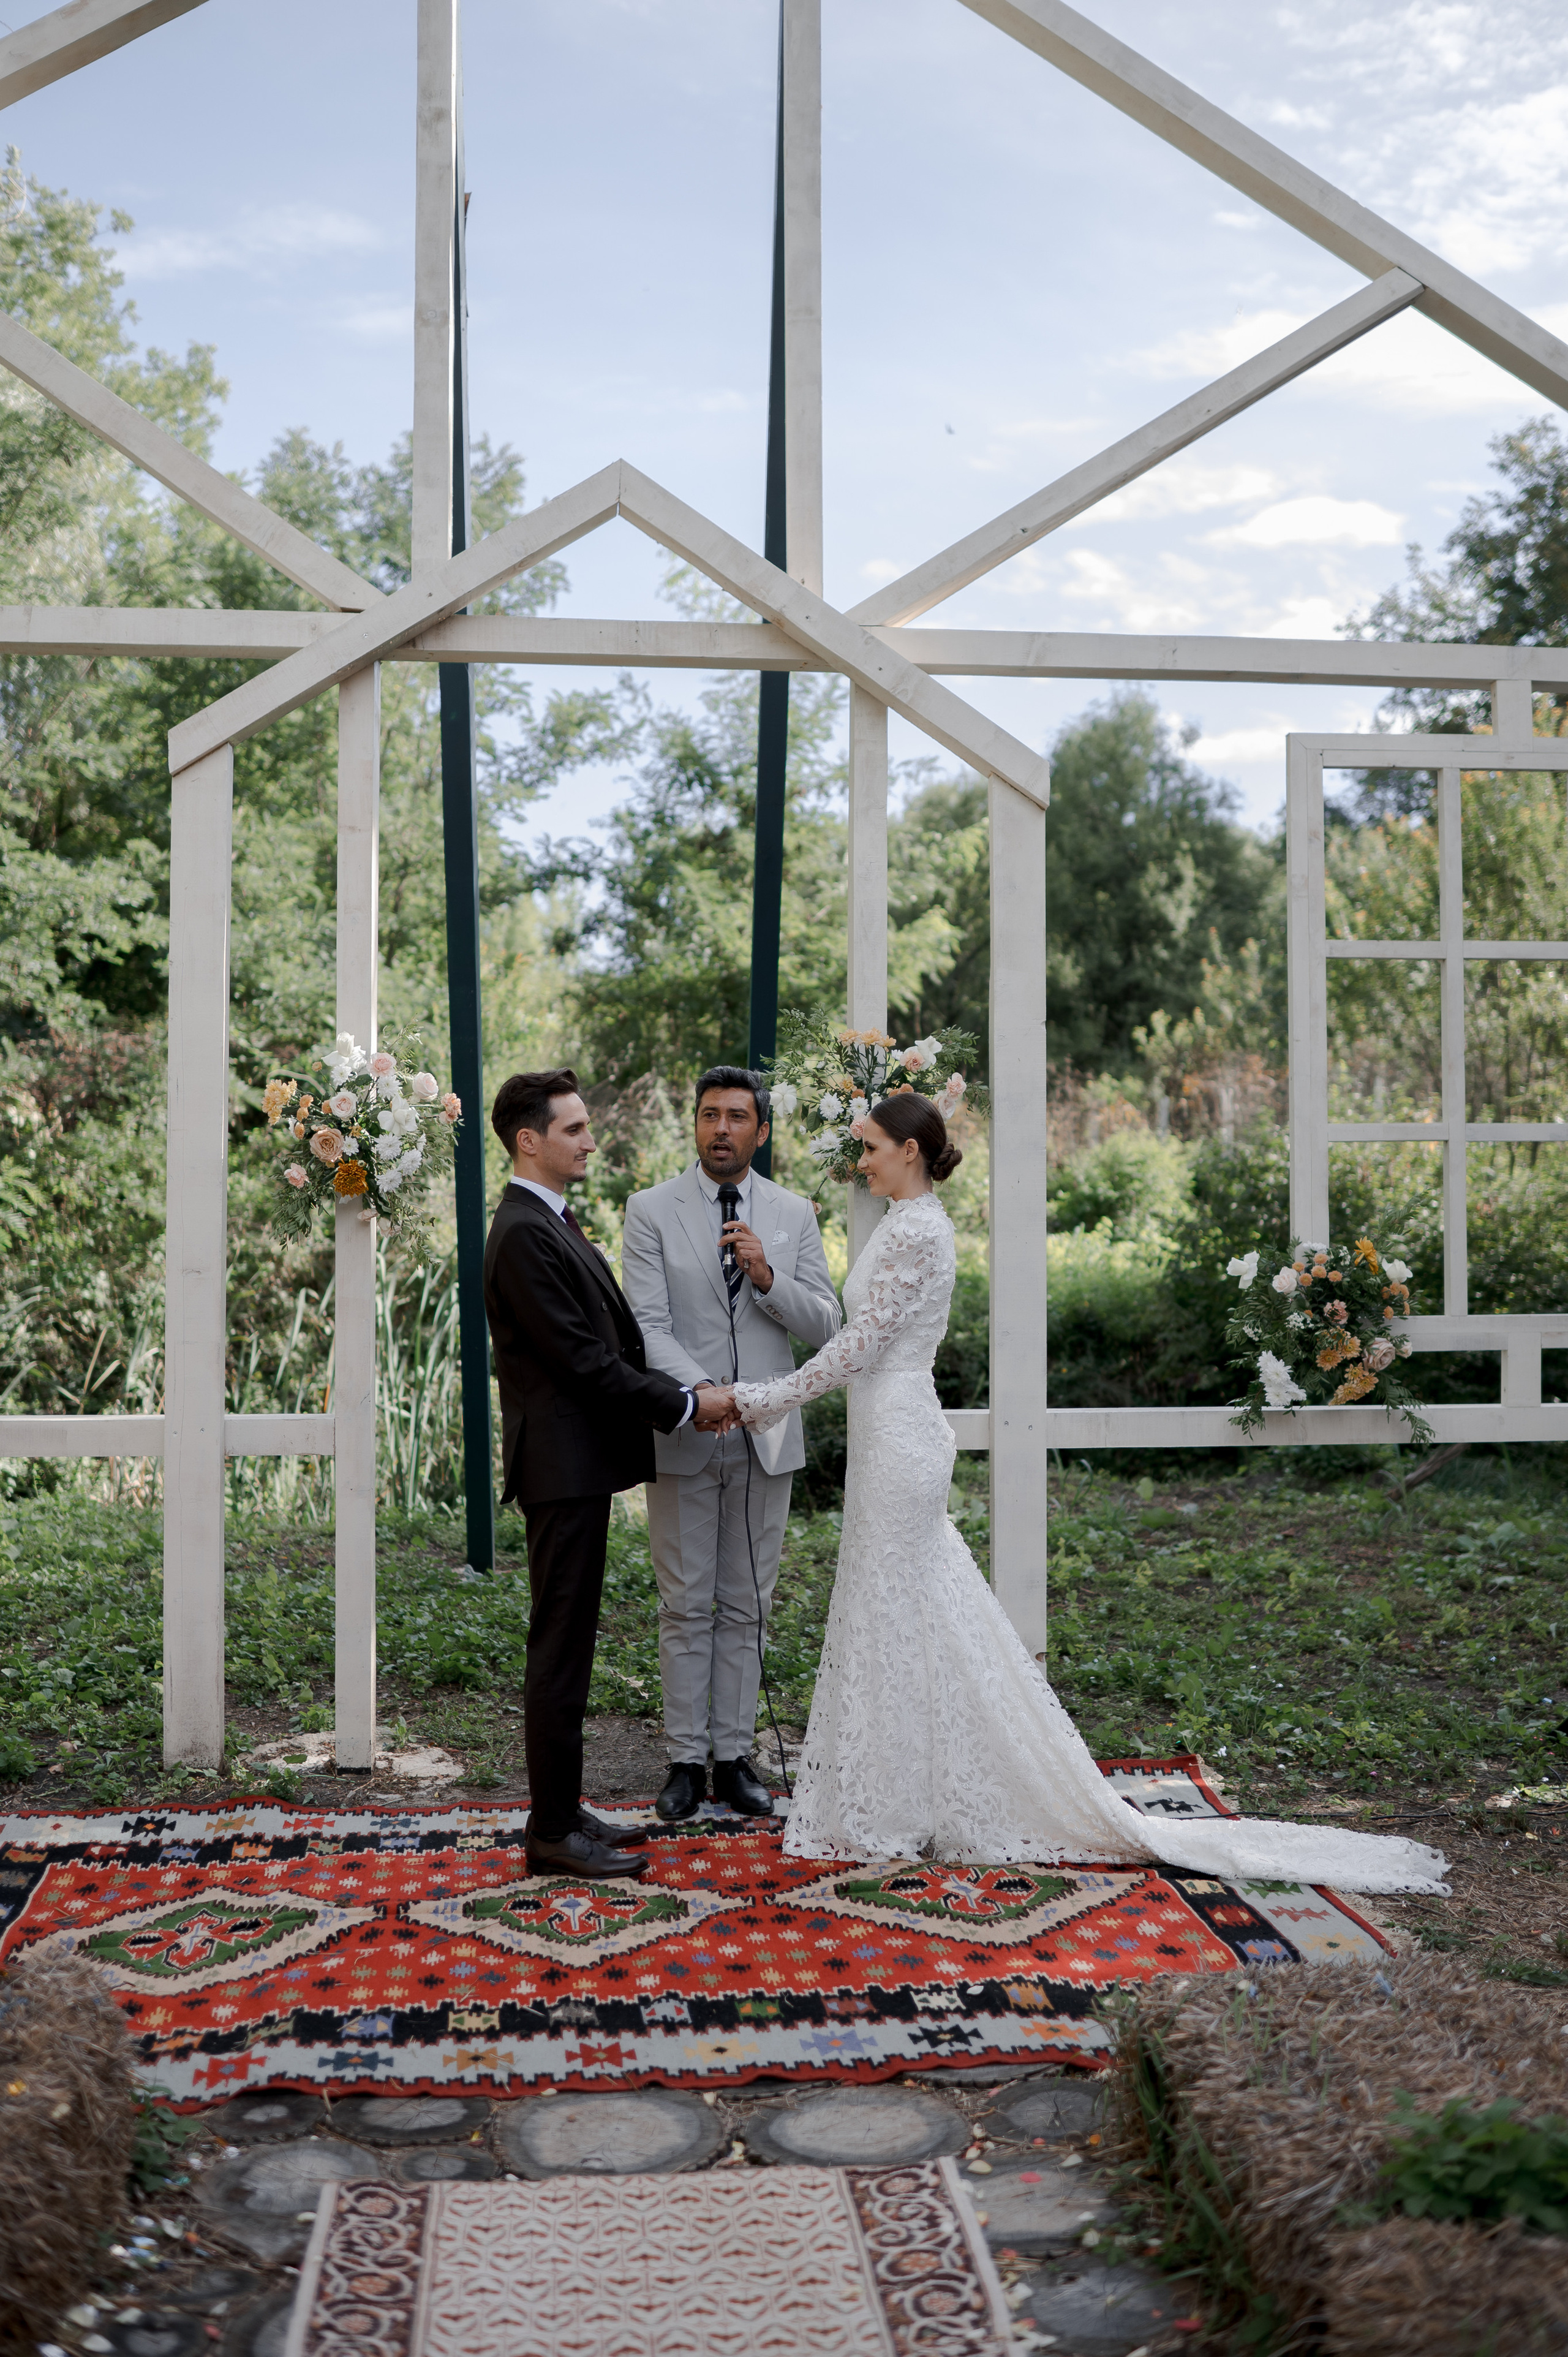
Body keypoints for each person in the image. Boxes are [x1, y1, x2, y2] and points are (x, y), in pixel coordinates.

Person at [702, 1093, 1447, 1894]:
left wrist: (756, 1398)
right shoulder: (902, 1220)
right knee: (894, 1610)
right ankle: (889, 1793)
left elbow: (859, 1345)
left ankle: (899, 1800)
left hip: (900, 1435)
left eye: (873, 1146)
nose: (864, 1160)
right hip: (890, 1432)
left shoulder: (918, 1229)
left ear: (912, 1150)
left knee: (896, 1606)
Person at [483, 1068, 735, 1880]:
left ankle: (563, 1810)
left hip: (576, 1463)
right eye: (575, 1128)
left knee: (571, 1643)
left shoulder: (548, 1219)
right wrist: (688, 1403)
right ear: (531, 1139)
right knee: (558, 1649)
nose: (591, 1139)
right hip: (560, 1467)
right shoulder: (523, 1231)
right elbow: (586, 1362)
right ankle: (552, 1833)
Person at [622, 1067, 842, 1821]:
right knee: (685, 1604)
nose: (721, 1128)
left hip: (767, 1436)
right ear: (694, 1125)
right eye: (709, 1114)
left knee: (747, 1603)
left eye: (737, 1116)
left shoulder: (792, 1213)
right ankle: (684, 1759)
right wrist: (705, 1397)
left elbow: (826, 1325)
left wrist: (768, 1275)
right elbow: (646, 1327)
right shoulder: (650, 1210)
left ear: (761, 1131)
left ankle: (733, 1755)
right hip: (687, 1428)